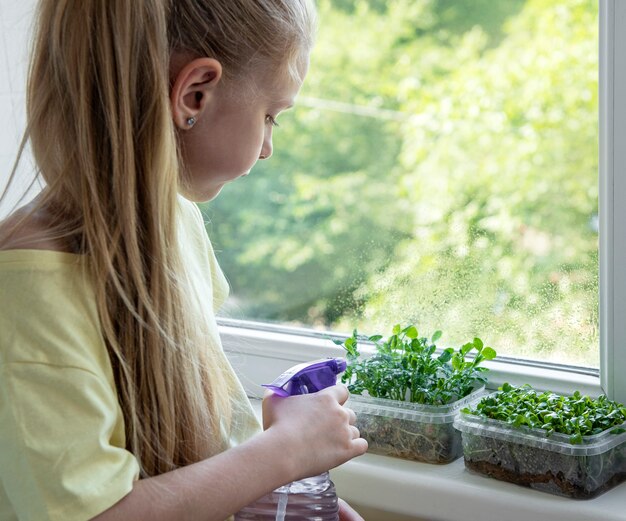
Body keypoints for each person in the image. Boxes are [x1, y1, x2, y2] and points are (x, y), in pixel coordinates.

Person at [0, 1, 368, 520]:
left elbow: (193, 454)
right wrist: (283, 451)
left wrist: (274, 491)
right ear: (194, 93)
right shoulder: (24, 293)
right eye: (270, 116)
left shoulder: (176, 225)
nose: (267, 148)